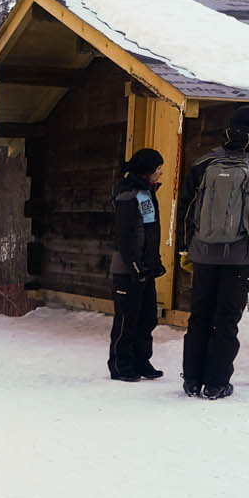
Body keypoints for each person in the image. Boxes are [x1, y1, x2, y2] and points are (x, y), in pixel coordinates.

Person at [178, 105, 249, 400]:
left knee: (199, 317)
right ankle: (216, 383)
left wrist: (187, 249)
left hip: (203, 254)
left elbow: (185, 208)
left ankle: (192, 381)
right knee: (226, 320)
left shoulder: (204, 162)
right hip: (238, 256)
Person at [107, 147, 168, 381]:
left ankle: (142, 361)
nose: (161, 173)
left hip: (145, 269)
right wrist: (135, 265)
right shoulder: (128, 195)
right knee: (127, 319)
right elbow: (125, 236)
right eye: (158, 168)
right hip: (128, 270)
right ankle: (121, 365)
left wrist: (154, 263)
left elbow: (150, 232)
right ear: (147, 171)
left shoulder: (147, 193)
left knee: (147, 318)